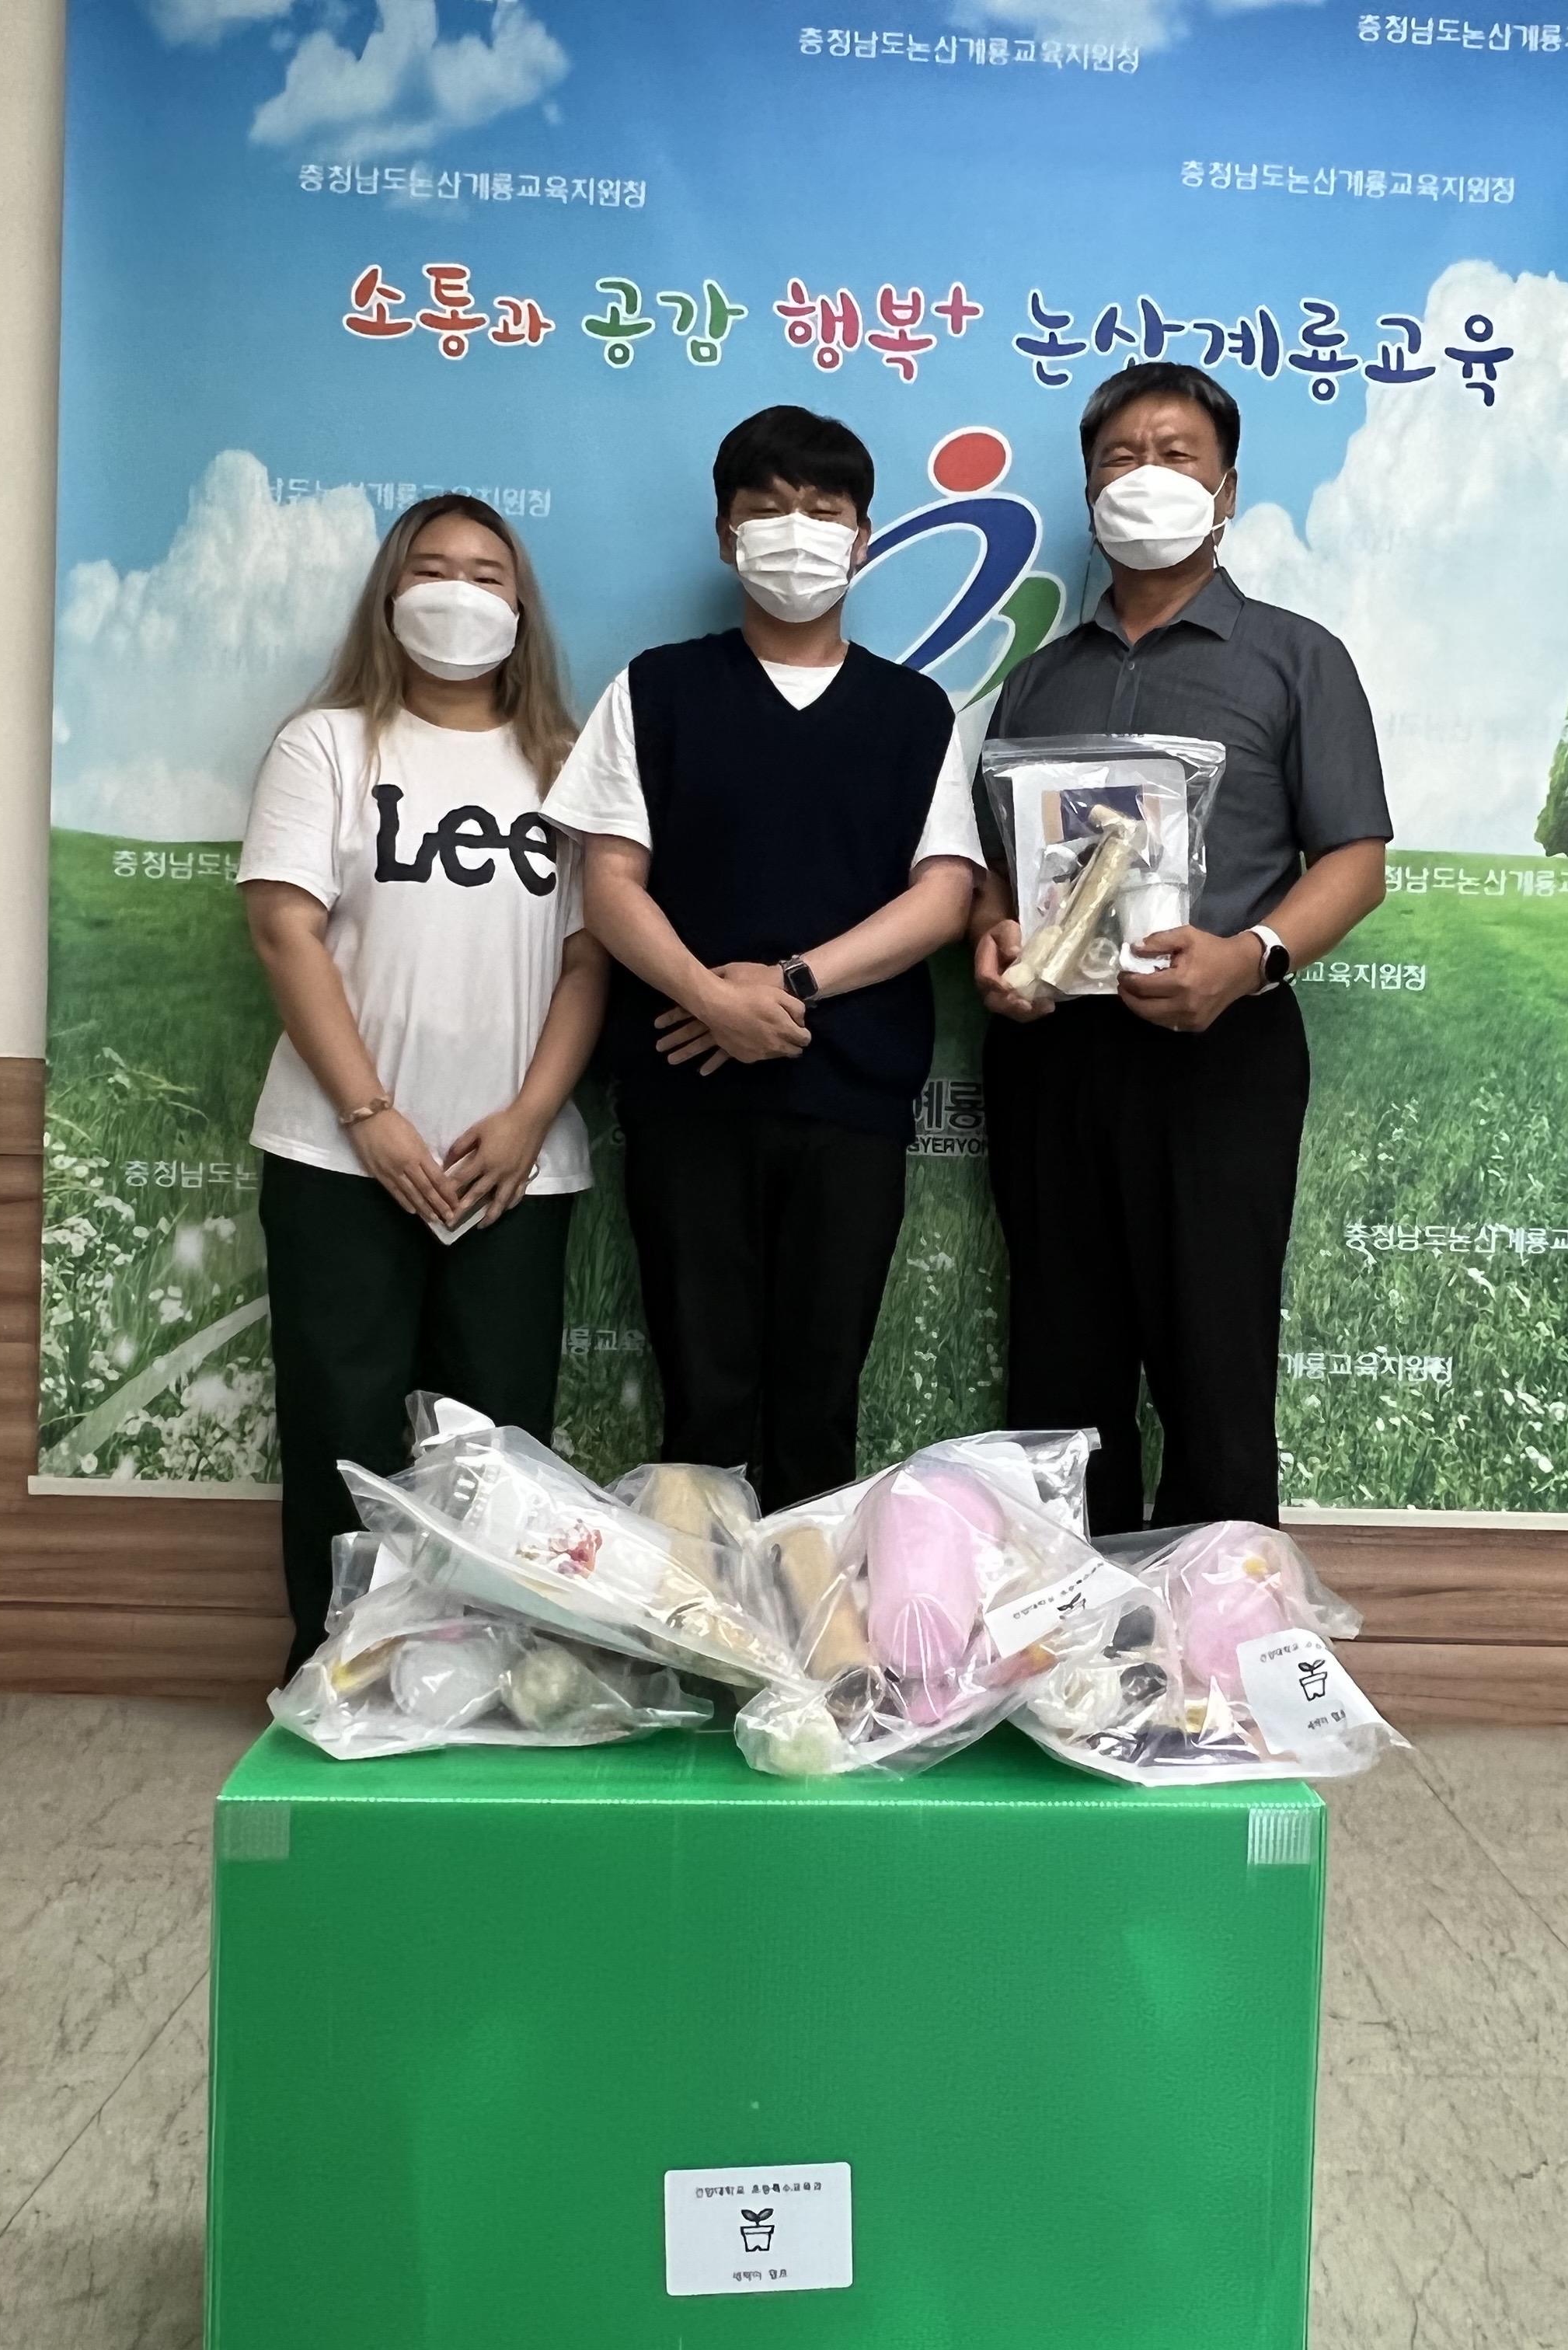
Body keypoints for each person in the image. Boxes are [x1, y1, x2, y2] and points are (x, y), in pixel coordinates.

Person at [972, 363, 1392, 1536]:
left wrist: (1250, 958)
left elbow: (1355, 862)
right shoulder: (1038, 682)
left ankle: (1222, 1625)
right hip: (1055, 1056)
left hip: (1223, 1048)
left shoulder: (1295, 659)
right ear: (1089, 491)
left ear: (1227, 488)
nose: (1145, 475)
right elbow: (997, 873)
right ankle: (1072, 1626)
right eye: (1120, 457)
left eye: (1176, 454)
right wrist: (995, 939)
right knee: (1061, 1369)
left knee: (1215, 1368)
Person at [553, 406, 981, 1508]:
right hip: (684, 1091)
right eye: (769, 509)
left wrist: (787, 985)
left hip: (851, 1102)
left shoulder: (916, 713)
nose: (797, 532)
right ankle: (701, 1611)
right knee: (702, 1398)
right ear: (725, 533)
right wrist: (708, 997)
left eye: (823, 511)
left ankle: (805, 1616)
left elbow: (944, 896)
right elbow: (609, 885)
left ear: (864, 539)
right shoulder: (655, 689)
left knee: (818, 1401)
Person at [238, 492, 607, 1668]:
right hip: (338, 1155)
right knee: (341, 1431)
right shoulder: (327, 744)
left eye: (488, 575)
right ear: (390, 596)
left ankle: (483, 1677)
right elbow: (284, 929)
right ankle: (336, 1673)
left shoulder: (571, 765)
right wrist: (371, 1116)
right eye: (431, 569)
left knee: (498, 1446)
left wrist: (532, 1117)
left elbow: (591, 958)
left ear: (522, 606)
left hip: (512, 1168)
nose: (459, 593)